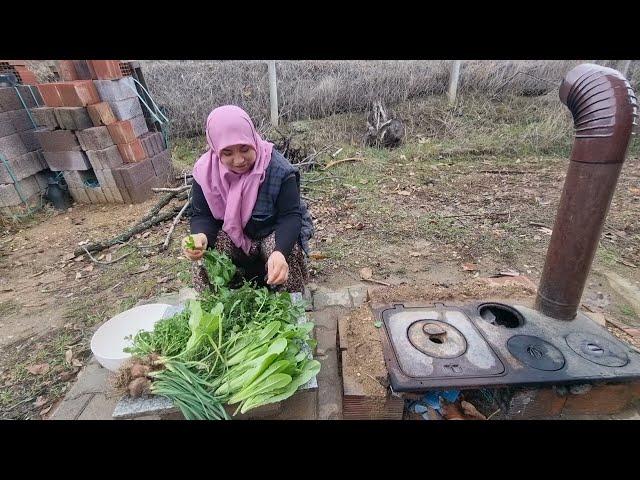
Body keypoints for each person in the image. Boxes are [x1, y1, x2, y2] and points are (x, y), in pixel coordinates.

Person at [181, 105, 313, 294]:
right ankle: (217, 310)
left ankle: (289, 311)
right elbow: (202, 215)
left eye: (244, 149)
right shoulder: (205, 172)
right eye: (227, 153)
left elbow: (290, 216)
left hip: (269, 236)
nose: (238, 160)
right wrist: (200, 236)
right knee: (205, 256)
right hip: (232, 239)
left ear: (253, 139)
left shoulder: (279, 170)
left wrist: (279, 251)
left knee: (288, 253)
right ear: (216, 149)